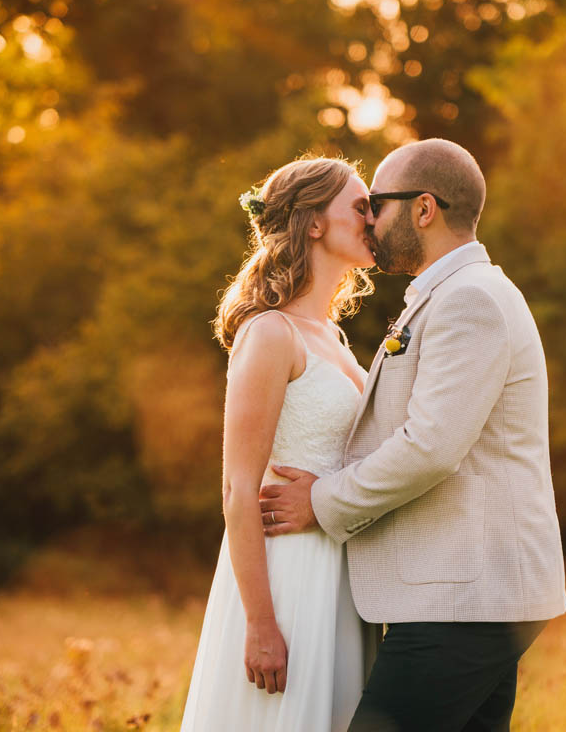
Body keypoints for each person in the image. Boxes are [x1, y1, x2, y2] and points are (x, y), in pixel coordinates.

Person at [260, 138, 566, 731]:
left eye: (377, 202)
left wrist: (320, 502)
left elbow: (429, 448)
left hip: (461, 602)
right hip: (470, 598)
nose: (368, 218)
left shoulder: (468, 300)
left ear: (424, 209)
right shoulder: (446, 295)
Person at [179, 156, 380, 732]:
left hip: (340, 573)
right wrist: (261, 623)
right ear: (314, 223)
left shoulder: (335, 339)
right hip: (287, 578)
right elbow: (239, 489)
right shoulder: (269, 333)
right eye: (361, 206)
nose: (374, 219)